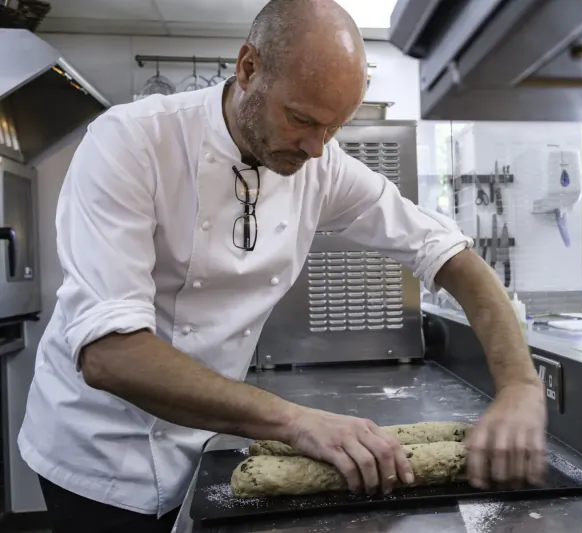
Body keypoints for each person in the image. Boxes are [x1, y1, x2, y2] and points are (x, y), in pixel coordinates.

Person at [18, 0, 546, 531]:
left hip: (208, 437)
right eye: (301, 120)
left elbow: (448, 253)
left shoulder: (320, 165)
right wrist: (295, 421)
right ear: (248, 68)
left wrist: (520, 386)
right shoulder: (132, 142)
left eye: (334, 129)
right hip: (96, 453)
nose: (316, 149)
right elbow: (111, 355)